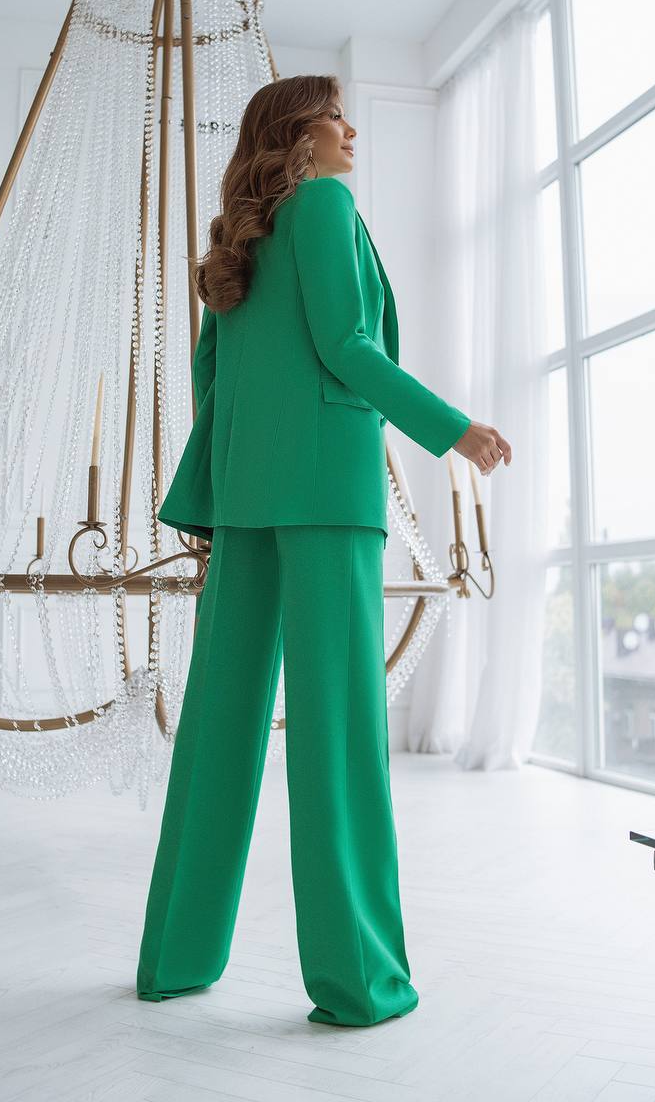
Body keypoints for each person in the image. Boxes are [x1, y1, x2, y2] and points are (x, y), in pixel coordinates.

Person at [136, 74, 512, 1026]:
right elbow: (348, 344)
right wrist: (453, 429)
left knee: (218, 729)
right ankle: (358, 984)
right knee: (338, 736)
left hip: (245, 497)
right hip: (330, 495)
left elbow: (210, 381)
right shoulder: (327, 204)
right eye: (333, 117)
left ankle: (174, 959)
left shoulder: (236, 245)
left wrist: (210, 501)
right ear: (296, 138)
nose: (350, 131)